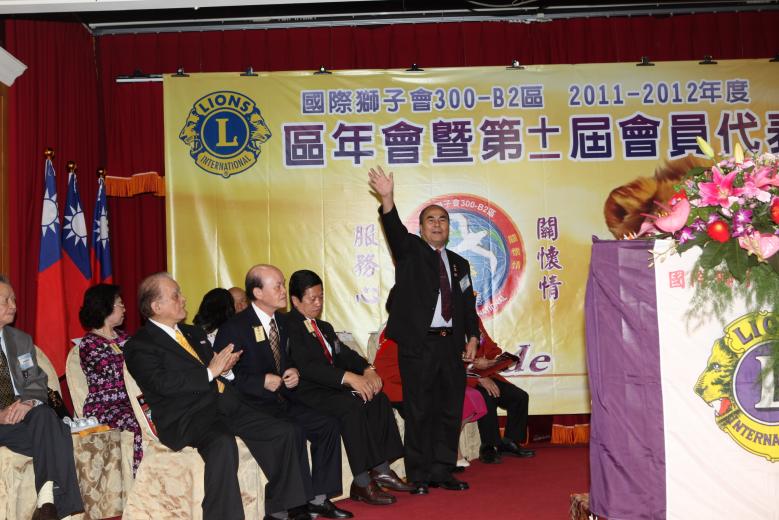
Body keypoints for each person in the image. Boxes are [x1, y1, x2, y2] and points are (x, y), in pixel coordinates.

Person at [124, 272, 312, 520]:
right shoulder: (140, 345)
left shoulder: (193, 333)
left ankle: (283, 508)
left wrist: (226, 370)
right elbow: (163, 384)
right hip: (186, 416)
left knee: (286, 430)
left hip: (223, 404)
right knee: (222, 443)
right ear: (156, 306)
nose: (183, 299)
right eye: (176, 296)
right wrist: (211, 372)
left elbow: (217, 372)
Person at [368, 165, 479, 495]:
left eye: (442, 220)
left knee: (449, 409)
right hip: (419, 346)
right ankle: (418, 474)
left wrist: (472, 336)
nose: (437, 224)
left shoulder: (459, 263)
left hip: (450, 347)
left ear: (449, 228)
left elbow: (467, 306)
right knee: (419, 411)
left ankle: (443, 470)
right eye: (431, 219)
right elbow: (394, 231)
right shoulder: (411, 252)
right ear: (421, 227)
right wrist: (387, 198)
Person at [214, 265, 352, 519]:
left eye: (283, 283)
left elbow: (286, 359)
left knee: (327, 425)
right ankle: (289, 508)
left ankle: (319, 498)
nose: (282, 290)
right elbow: (224, 376)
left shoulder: (283, 322)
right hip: (251, 405)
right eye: (276, 285)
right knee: (292, 432)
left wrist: (292, 371)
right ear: (258, 292)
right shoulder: (234, 328)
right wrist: (260, 382)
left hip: (281, 399)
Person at [285, 269, 413, 506]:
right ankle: (362, 481)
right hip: (307, 391)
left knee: (377, 397)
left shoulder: (323, 326)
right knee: (351, 405)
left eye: (321, 297)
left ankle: (382, 469)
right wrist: (348, 378)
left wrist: (367, 369)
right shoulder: (288, 326)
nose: (318, 303)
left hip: (332, 387)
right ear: (295, 300)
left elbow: (344, 354)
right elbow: (307, 366)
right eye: (312, 299)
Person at [0, 275, 83, 520]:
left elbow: (37, 381)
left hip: (24, 417)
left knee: (45, 416)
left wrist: (28, 402)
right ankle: (57, 507)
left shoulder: (20, 340)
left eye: (14, 299)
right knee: (58, 434)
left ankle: (47, 504)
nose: (14, 305)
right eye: (6, 300)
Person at [373, 329, 486, 470]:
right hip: (398, 387)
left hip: (420, 382)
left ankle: (447, 453)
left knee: (461, 399)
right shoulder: (401, 331)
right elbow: (393, 369)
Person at [78, 283, 143, 475]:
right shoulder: (89, 343)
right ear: (105, 307)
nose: (125, 309)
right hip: (107, 407)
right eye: (120, 304)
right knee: (139, 423)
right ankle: (140, 480)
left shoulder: (124, 337)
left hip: (134, 401)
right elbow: (117, 373)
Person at [470, 320, 535, 463]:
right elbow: (450, 359)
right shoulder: (449, 323)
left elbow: (491, 347)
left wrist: (492, 360)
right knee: (487, 396)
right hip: (465, 379)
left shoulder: (475, 319)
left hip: (486, 374)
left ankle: (509, 442)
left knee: (519, 397)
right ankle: (488, 446)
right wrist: (478, 376)